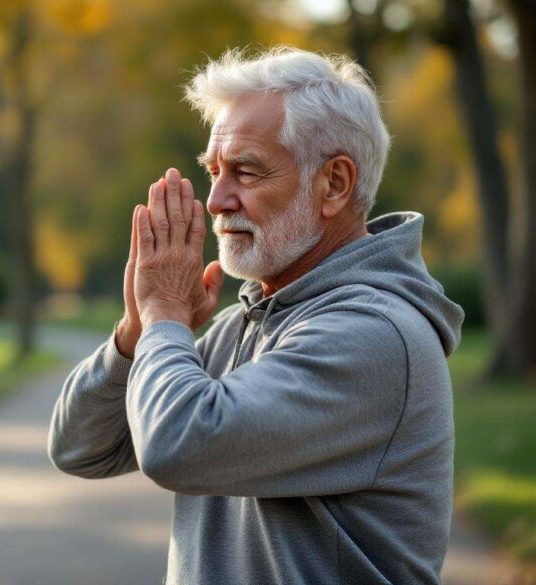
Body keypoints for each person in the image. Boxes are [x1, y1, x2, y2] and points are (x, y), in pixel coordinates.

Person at [47, 47, 465, 585]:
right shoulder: (248, 324)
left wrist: (166, 315)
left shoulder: (374, 334)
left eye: (245, 171)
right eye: (213, 171)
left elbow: (179, 445)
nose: (216, 199)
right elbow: (81, 448)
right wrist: (135, 335)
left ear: (334, 184)